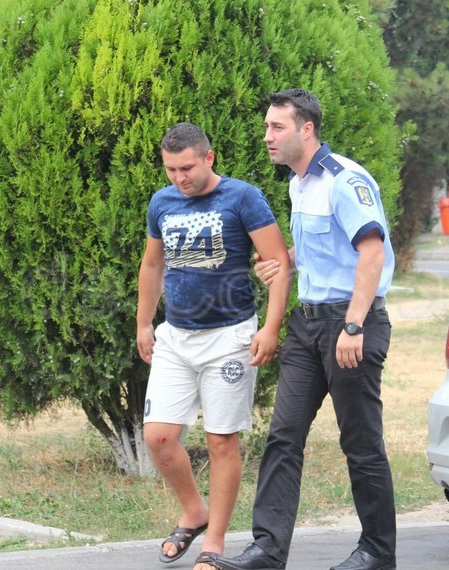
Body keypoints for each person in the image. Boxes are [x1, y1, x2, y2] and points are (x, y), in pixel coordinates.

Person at [217, 89, 396, 570]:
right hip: (308, 323)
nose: (267, 136)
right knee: (283, 435)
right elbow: (328, 250)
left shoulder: (344, 180)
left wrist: (354, 325)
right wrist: (287, 263)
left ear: (307, 129)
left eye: (277, 127)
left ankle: (378, 552)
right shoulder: (299, 183)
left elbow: (372, 253)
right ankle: (267, 550)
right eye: (267, 126)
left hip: (349, 322)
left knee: (360, 443)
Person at [136, 122, 291, 570]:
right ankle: (194, 511)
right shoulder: (162, 202)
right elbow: (152, 265)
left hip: (230, 337)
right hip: (176, 336)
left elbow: (278, 263)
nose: (179, 178)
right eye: (170, 170)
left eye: (187, 168)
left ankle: (215, 543)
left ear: (209, 157)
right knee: (158, 436)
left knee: (221, 441)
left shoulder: (243, 197)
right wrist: (144, 323)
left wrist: (271, 327)